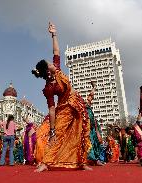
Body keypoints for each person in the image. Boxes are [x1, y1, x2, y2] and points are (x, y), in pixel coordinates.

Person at [32, 22, 92, 172]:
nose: (52, 63)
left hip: (77, 102)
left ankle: (81, 162)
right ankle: (46, 162)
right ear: (47, 70)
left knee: (82, 131)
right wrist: (52, 129)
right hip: (64, 108)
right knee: (57, 135)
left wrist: (54, 34)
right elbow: (52, 109)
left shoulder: (57, 69)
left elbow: (56, 50)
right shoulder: (48, 88)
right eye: (49, 63)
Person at [86, 81, 104, 166]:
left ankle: (96, 159)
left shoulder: (88, 107)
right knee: (90, 144)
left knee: (96, 143)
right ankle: (92, 160)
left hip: (93, 129)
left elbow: (91, 96)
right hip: (86, 130)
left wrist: (94, 87)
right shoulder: (80, 109)